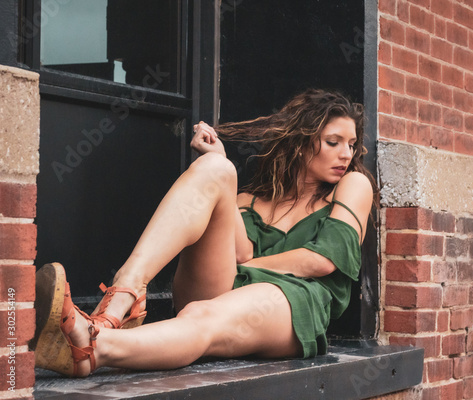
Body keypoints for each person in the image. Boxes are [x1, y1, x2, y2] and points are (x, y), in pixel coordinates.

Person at [32, 89, 376, 378]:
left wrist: (250, 266)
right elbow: (238, 256)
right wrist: (222, 163)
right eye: (333, 142)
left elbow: (320, 261)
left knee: (201, 316)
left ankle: (93, 346)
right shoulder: (250, 201)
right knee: (217, 169)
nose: (346, 154)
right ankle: (120, 303)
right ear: (301, 143)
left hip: (295, 301)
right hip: (229, 285)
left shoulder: (352, 186)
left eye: (351, 144)